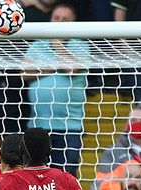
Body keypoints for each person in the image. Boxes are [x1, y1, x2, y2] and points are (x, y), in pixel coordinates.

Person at [24, 2, 91, 177]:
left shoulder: (80, 45)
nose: (59, 23)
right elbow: (24, 72)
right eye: (56, 19)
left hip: (70, 128)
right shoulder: (38, 44)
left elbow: (72, 68)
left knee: (65, 178)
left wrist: (56, 42)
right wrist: (56, 64)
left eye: (65, 20)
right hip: (38, 126)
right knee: (36, 177)